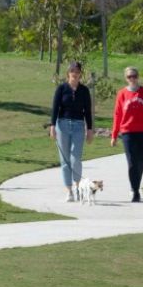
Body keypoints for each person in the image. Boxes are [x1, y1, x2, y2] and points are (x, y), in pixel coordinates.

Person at [48, 61, 94, 202]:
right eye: (72, 70)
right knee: (65, 160)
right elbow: (55, 108)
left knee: (75, 159)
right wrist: (52, 126)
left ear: (80, 74)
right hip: (62, 125)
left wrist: (90, 129)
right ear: (68, 73)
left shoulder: (84, 90)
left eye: (77, 71)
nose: (75, 73)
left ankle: (78, 186)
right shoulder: (61, 89)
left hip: (79, 126)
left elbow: (87, 111)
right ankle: (69, 191)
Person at [110, 67, 143, 202]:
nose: (132, 79)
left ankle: (135, 187)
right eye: (130, 76)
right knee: (131, 163)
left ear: (138, 77)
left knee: (140, 161)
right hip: (127, 132)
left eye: (134, 76)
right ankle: (135, 190)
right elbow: (117, 115)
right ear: (126, 78)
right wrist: (114, 135)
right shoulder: (122, 94)